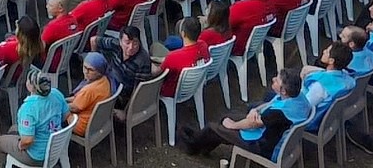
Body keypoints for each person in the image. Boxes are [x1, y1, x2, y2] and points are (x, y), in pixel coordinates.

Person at [182, 69, 312, 157]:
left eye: (277, 81)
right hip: (273, 134)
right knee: (227, 117)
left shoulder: (279, 113)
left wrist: (233, 125)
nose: (273, 79)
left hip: (262, 145)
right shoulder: (298, 97)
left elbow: (253, 124)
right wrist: (255, 110)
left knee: (214, 126)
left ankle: (192, 145)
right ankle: (204, 146)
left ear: (283, 91)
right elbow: (270, 104)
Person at [0, 67, 70, 165]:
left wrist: (19, 146)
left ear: (31, 86)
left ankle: (8, 161)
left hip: (36, 156)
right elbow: (66, 115)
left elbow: (28, 141)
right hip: (56, 147)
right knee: (14, 128)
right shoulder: (56, 94)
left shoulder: (28, 108)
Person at [92, 26, 151, 106]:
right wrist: (94, 61)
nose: (131, 47)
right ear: (120, 42)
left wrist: (126, 112)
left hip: (122, 95)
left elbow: (138, 90)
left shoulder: (142, 60)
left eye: (135, 43)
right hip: (108, 81)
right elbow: (94, 40)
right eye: (127, 43)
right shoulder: (115, 44)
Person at [67, 52, 113, 135]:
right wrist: (63, 99)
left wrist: (57, 102)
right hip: (98, 121)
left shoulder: (89, 90)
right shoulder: (105, 80)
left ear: (99, 71)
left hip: (82, 125)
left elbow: (74, 108)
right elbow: (79, 99)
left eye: (91, 70)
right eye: (85, 67)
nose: (86, 72)